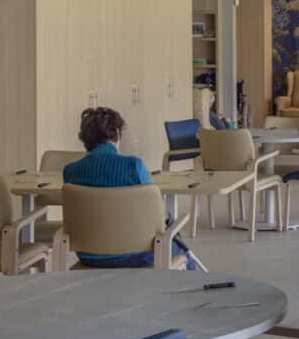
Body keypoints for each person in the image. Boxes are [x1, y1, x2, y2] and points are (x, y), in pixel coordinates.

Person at [61, 106, 202, 270]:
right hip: (137, 254)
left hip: (89, 256)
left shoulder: (70, 171)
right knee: (182, 251)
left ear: (85, 139)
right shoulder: (133, 166)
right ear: (117, 134)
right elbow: (154, 212)